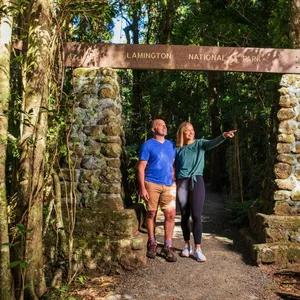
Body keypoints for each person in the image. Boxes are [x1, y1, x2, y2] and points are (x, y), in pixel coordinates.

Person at [175, 122, 236, 262]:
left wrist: (223, 136)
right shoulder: (178, 149)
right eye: (188, 131)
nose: (191, 132)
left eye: (192, 130)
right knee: (185, 216)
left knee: (196, 215)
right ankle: (186, 246)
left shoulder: (200, 144)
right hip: (182, 182)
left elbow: (212, 143)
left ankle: (197, 248)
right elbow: (173, 166)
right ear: (182, 133)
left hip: (197, 181)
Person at [138, 119, 177, 262]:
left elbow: (172, 163)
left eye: (165, 125)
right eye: (160, 125)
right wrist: (142, 187)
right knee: (151, 213)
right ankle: (152, 242)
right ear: (154, 129)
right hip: (151, 183)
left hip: (169, 185)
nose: (164, 127)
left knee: (171, 214)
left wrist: (174, 177)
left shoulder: (171, 145)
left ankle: (168, 245)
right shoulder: (147, 145)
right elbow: (141, 167)